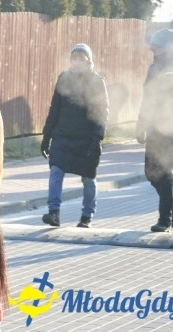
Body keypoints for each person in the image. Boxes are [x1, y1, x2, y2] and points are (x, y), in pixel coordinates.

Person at [40, 44, 108, 229]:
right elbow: (55, 109)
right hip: (63, 136)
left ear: (88, 60)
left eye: (81, 58)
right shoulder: (64, 78)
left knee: (88, 179)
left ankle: (87, 216)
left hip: (86, 139)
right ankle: (54, 213)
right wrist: (46, 137)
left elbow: (101, 112)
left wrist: (97, 139)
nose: (77, 62)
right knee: (56, 172)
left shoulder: (96, 82)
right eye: (74, 58)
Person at [136, 28, 173, 233]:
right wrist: (141, 125)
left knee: (164, 171)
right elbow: (148, 98)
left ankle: (165, 220)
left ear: (169, 46)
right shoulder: (154, 67)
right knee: (150, 173)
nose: (153, 48)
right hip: (154, 127)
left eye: (157, 45)